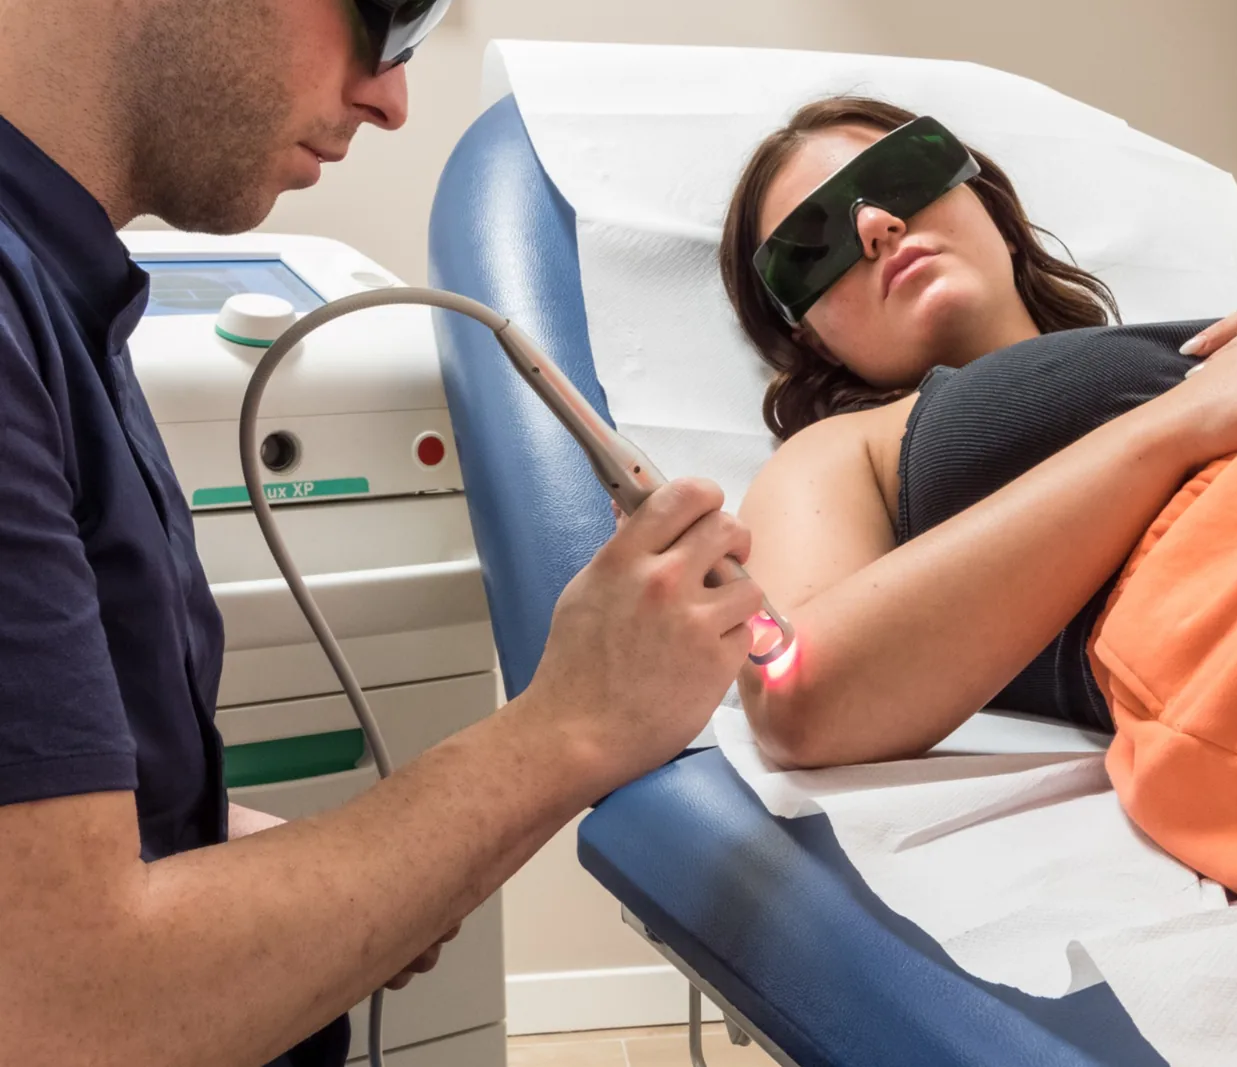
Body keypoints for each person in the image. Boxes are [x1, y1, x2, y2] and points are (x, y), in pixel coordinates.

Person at [0, 2, 763, 1065]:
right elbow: (66, 1016)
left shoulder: (61, 284)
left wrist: (258, 860)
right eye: (390, 13)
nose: (392, 98)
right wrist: (575, 721)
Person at [718, 96, 1237, 769]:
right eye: (812, 246)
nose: (877, 225)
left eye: (905, 174)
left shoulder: (1206, 338)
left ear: (994, 214)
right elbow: (796, 696)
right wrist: (1185, 418)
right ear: (810, 337)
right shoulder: (843, 451)